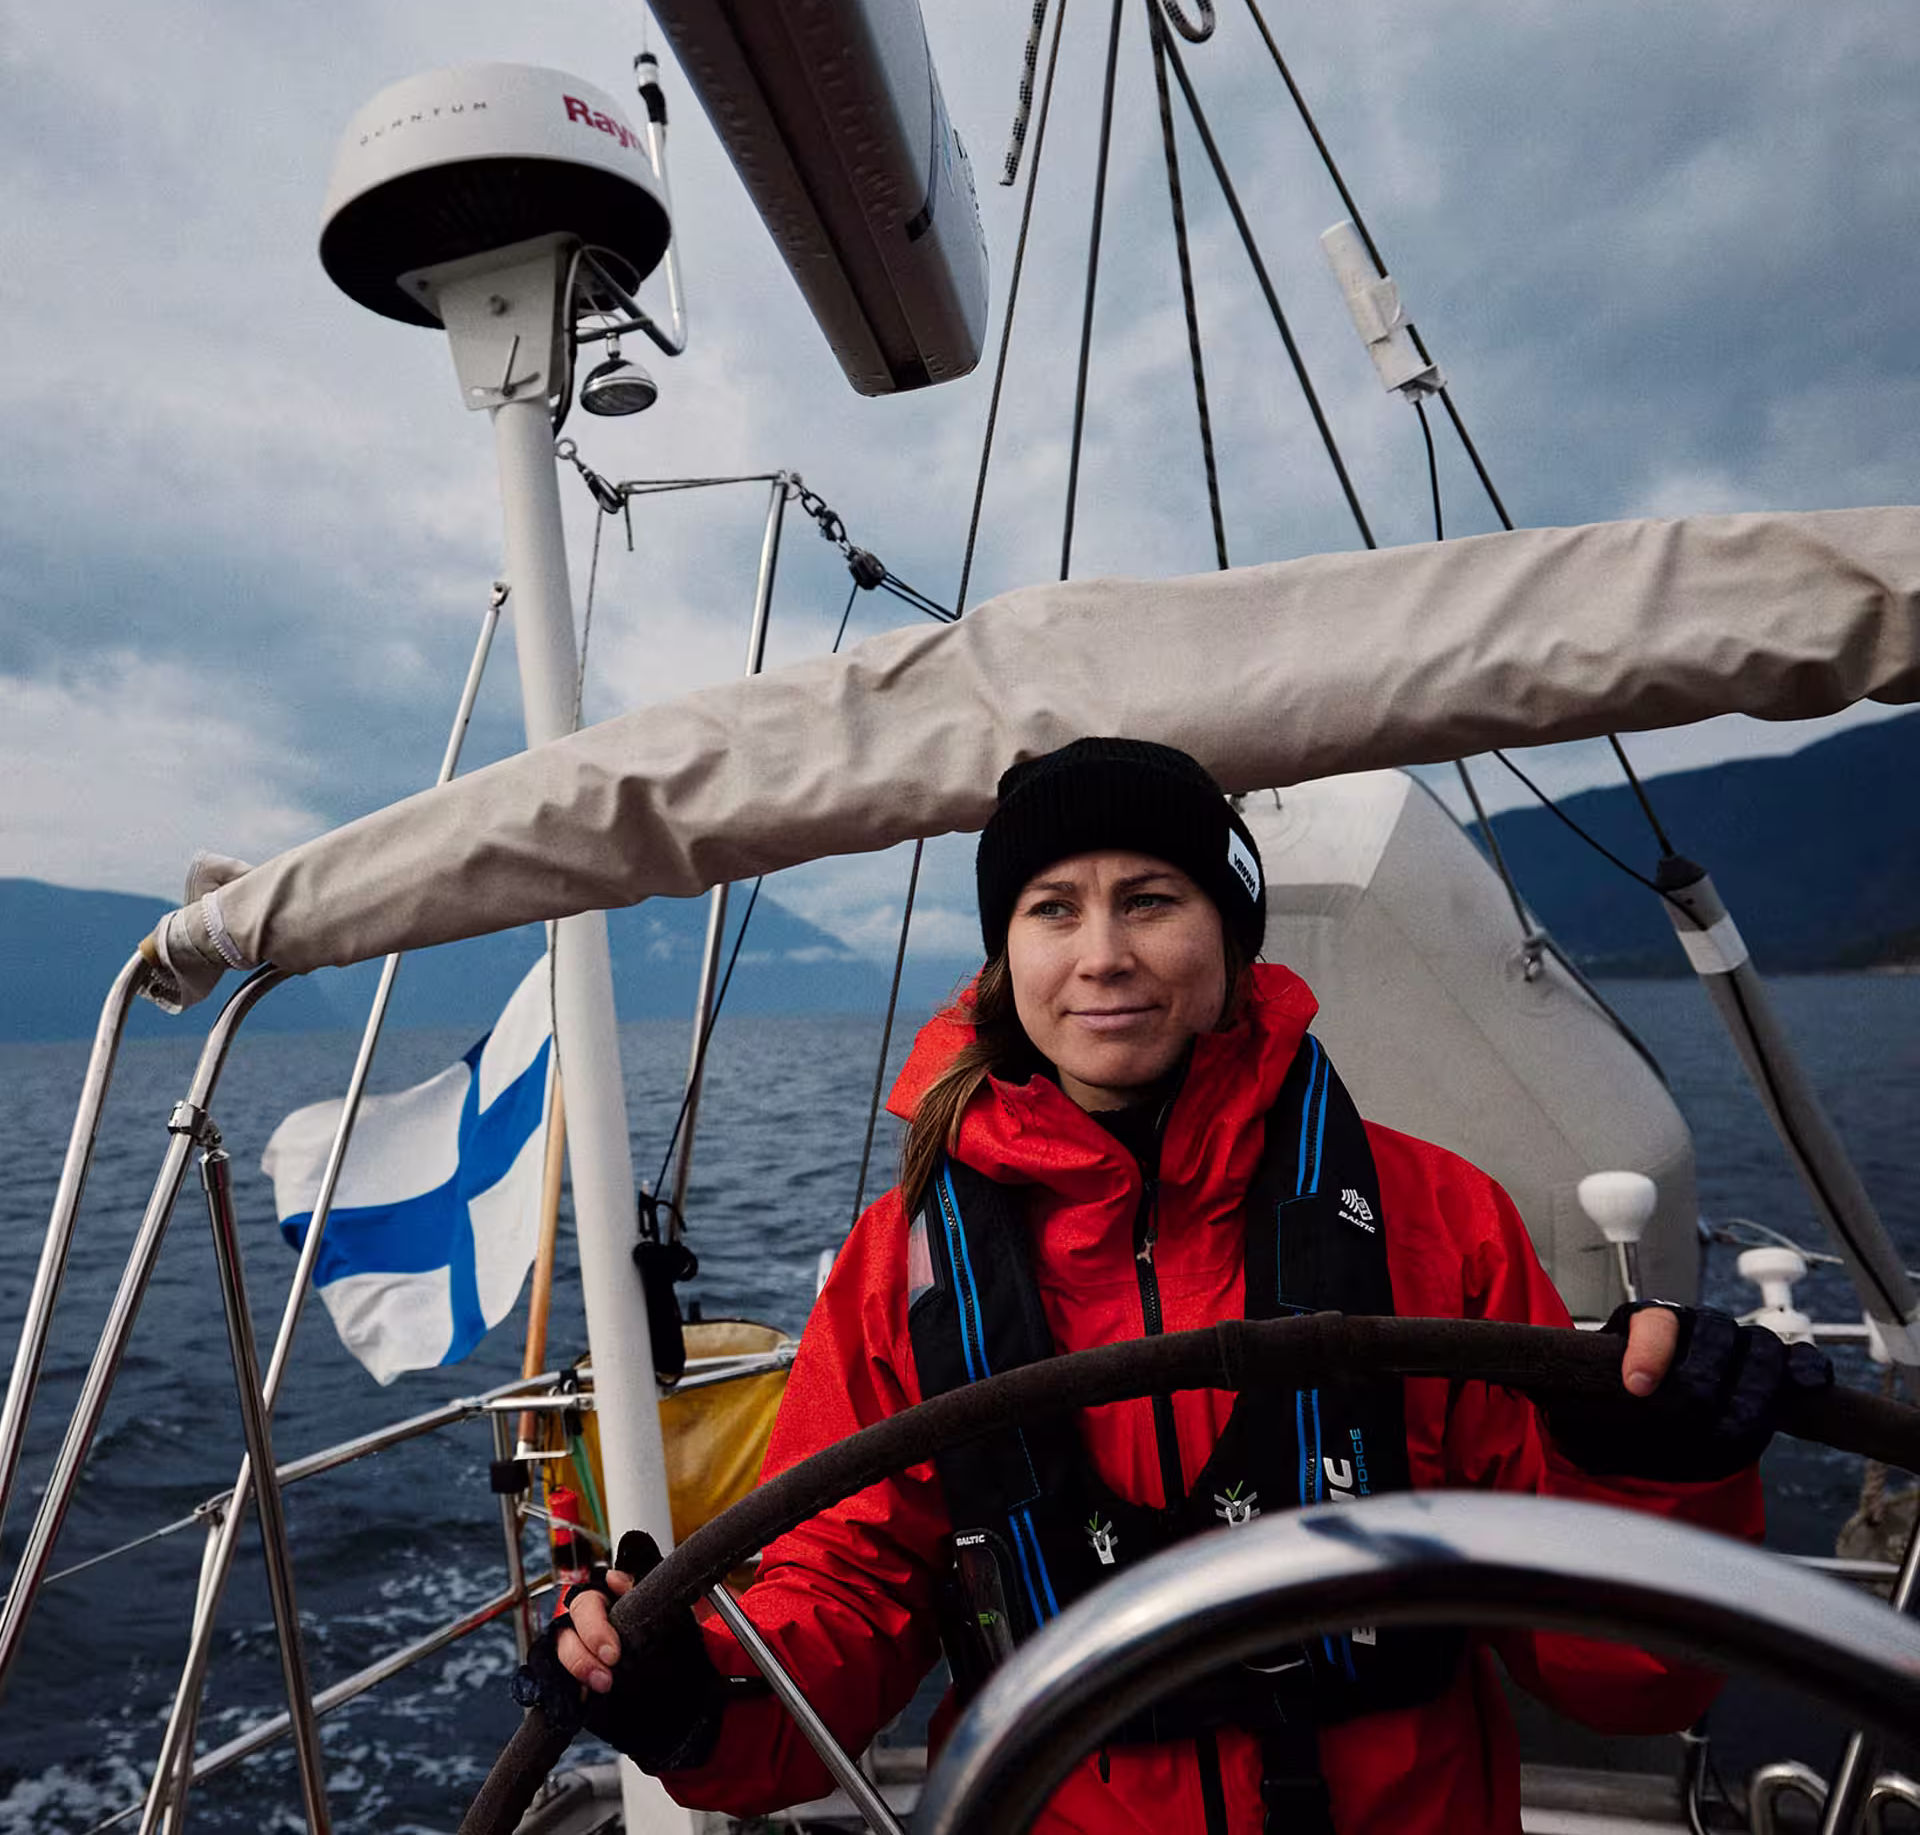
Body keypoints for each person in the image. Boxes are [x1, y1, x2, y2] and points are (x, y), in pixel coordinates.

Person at [518, 738, 1829, 1834]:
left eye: (1151, 898)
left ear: (1231, 930)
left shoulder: (1438, 1221)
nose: (1103, 956)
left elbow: (1618, 1670)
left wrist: (1658, 1468)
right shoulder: (898, 1272)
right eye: (1053, 909)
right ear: (1003, 956)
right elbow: (844, 1589)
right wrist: (697, 1684)